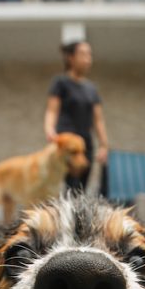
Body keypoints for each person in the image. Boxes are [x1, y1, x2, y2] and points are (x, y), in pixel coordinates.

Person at [44, 40, 110, 196]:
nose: (88, 59)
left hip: (85, 145)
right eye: (83, 54)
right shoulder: (60, 83)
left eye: (89, 55)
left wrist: (104, 145)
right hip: (66, 144)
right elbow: (52, 111)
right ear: (70, 57)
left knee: (80, 191)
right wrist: (49, 129)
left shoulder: (91, 88)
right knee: (66, 188)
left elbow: (98, 119)